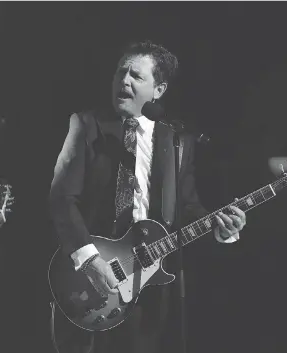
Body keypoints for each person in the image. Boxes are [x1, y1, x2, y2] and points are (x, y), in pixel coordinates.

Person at [49, 39, 247, 353]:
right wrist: (90, 261)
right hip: (88, 283)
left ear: (159, 90)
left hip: (148, 287)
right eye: (120, 72)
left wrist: (222, 227)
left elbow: (188, 206)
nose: (124, 80)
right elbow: (61, 197)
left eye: (136, 76)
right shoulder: (86, 125)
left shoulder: (176, 141)